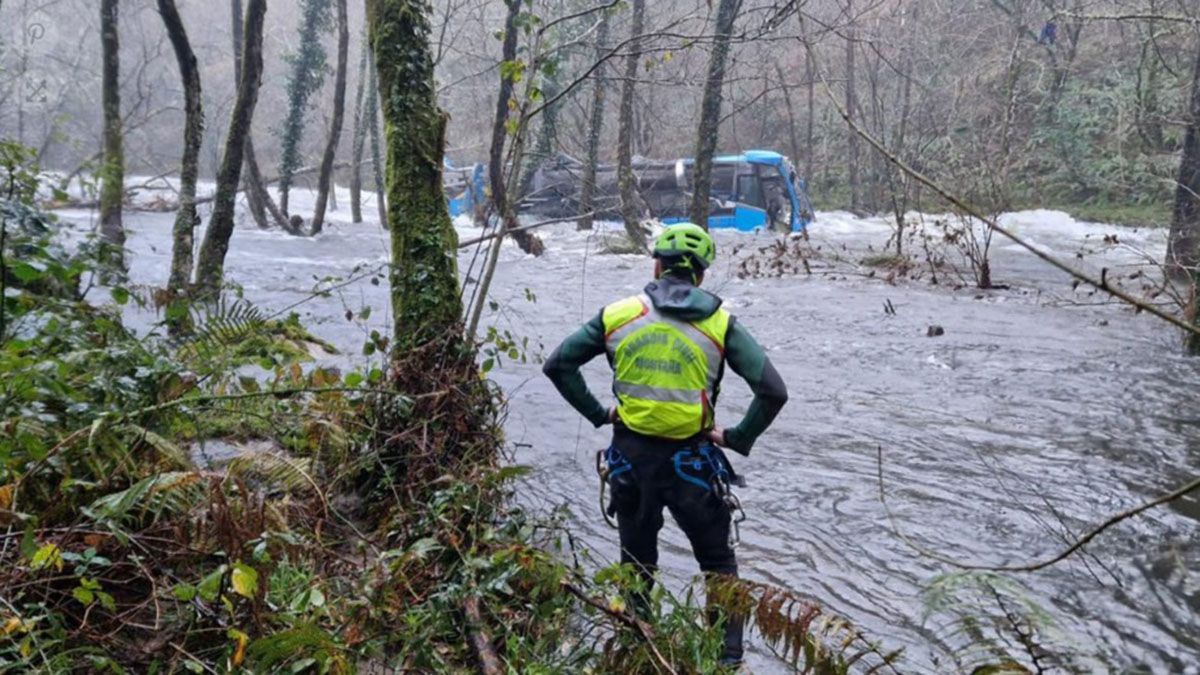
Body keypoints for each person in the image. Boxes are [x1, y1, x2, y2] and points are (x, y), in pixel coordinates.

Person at [542, 222, 788, 665]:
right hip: (693, 465)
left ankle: (640, 653)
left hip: (631, 462)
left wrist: (599, 413)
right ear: (701, 274)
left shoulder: (618, 315)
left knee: (637, 565)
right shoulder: (721, 325)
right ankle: (726, 663)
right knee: (719, 567)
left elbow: (558, 365)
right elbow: (773, 392)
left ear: (656, 265)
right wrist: (737, 437)